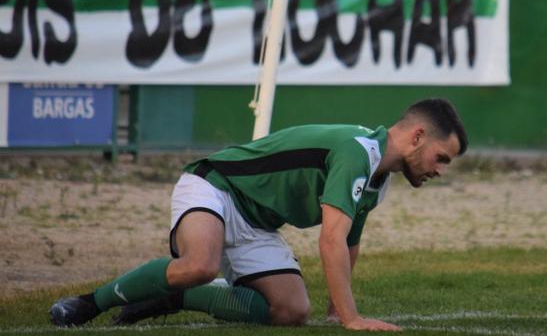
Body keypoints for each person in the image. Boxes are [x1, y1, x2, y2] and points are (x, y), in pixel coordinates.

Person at [49, 98, 467, 332]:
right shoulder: (358, 152)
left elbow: (350, 240)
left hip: (257, 223)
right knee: (200, 264)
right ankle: (87, 304)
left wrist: (338, 309)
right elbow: (330, 240)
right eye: (441, 157)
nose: (439, 170)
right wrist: (354, 320)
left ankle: (173, 297)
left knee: (290, 312)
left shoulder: (379, 176)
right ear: (417, 136)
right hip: (215, 186)